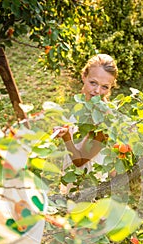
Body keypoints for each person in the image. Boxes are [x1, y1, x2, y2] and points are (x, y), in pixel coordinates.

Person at [53, 54, 118, 195]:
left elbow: (80, 161)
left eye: (105, 87)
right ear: (84, 76)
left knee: (84, 210)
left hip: (87, 174)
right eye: (93, 83)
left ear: (111, 87)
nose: (97, 91)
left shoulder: (103, 121)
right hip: (73, 161)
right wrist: (65, 130)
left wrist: (67, 138)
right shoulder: (84, 102)